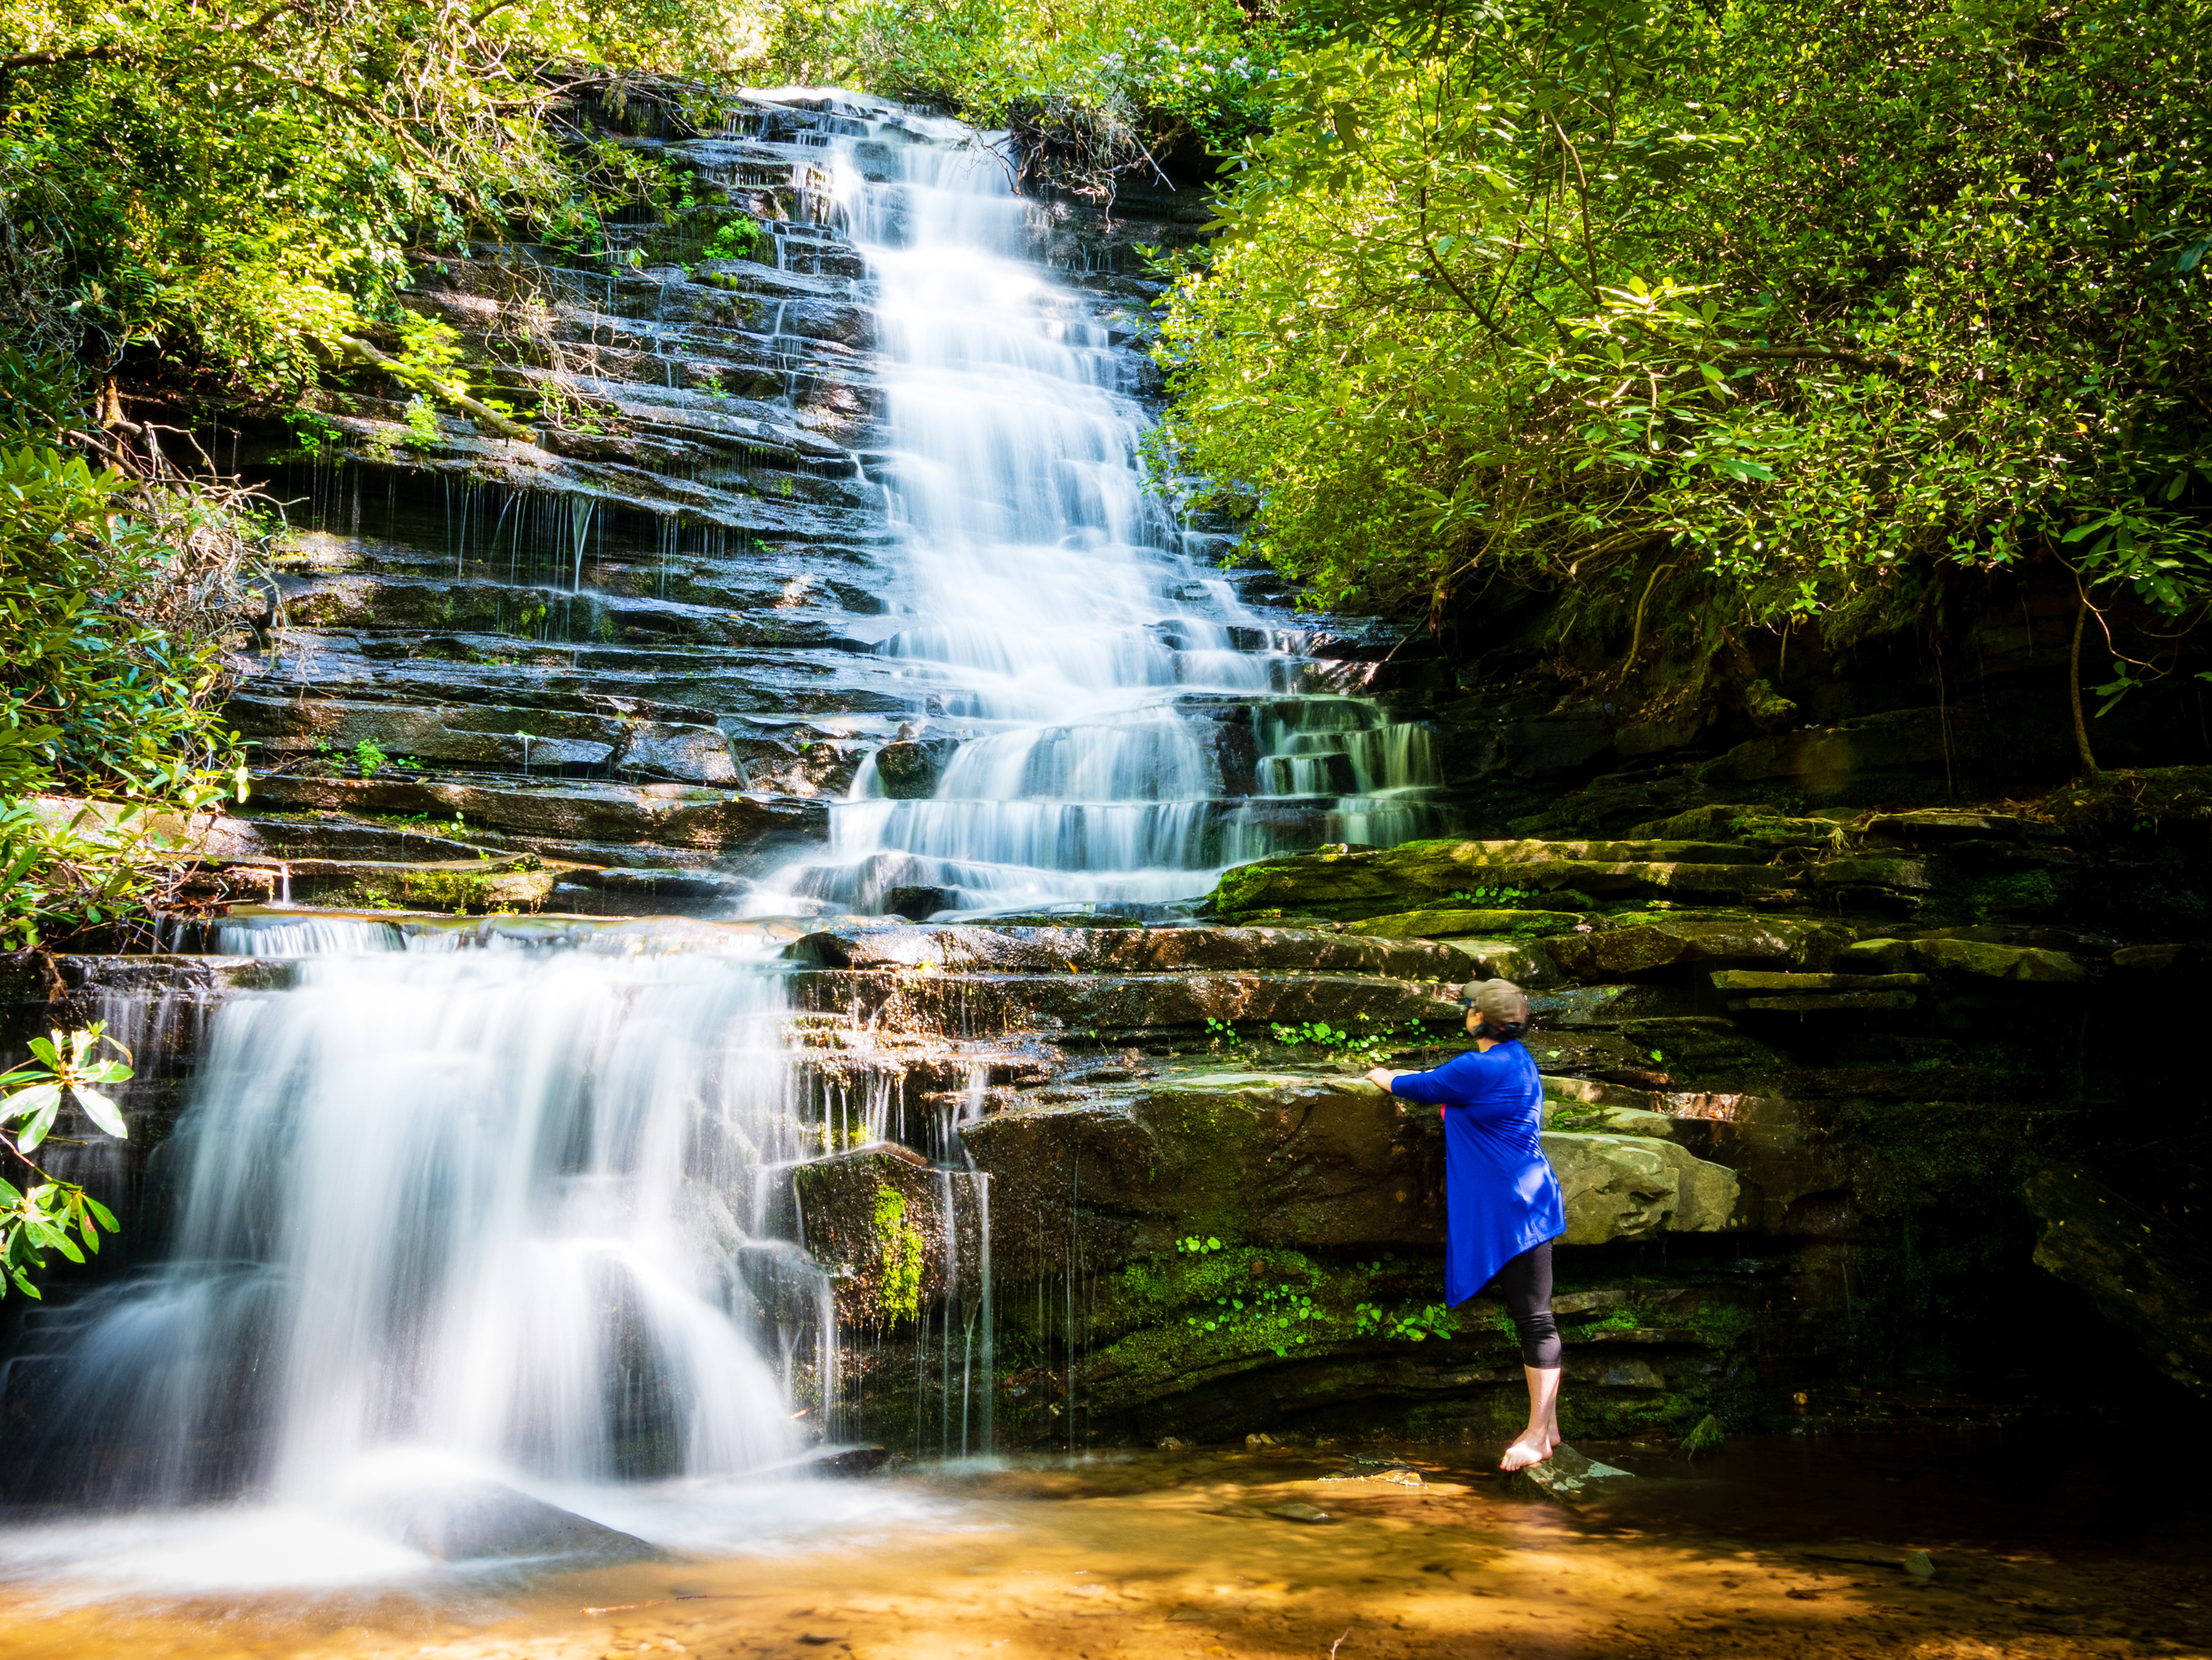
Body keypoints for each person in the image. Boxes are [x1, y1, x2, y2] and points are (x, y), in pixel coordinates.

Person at [1365, 979, 1566, 1472]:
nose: (1467, 1011)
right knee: (1535, 1314)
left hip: (1514, 1210)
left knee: (1535, 1320)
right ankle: (1551, 1425)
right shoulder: (1517, 1059)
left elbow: (1416, 1086)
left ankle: (1538, 1436)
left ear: (1479, 1020)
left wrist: (1380, 1073)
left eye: (1471, 1007)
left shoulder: (1476, 1067)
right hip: (1530, 1198)